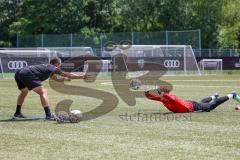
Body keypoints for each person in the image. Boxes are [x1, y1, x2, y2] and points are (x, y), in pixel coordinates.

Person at [14, 57, 89, 120]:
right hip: (27, 74)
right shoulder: (52, 67)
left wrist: (65, 79)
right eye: (60, 65)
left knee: (24, 92)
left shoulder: (48, 69)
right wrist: (82, 76)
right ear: (57, 64)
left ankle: (17, 113)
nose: (60, 66)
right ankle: (48, 115)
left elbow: (56, 78)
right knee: (43, 91)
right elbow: (68, 74)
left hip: (19, 73)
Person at [145, 86, 237, 113]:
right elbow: (149, 97)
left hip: (194, 107)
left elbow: (170, 97)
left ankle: (231, 95)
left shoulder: (172, 98)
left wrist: (160, 92)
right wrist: (147, 91)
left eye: (159, 92)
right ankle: (214, 96)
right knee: (203, 102)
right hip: (190, 103)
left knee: (211, 106)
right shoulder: (163, 99)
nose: (158, 94)